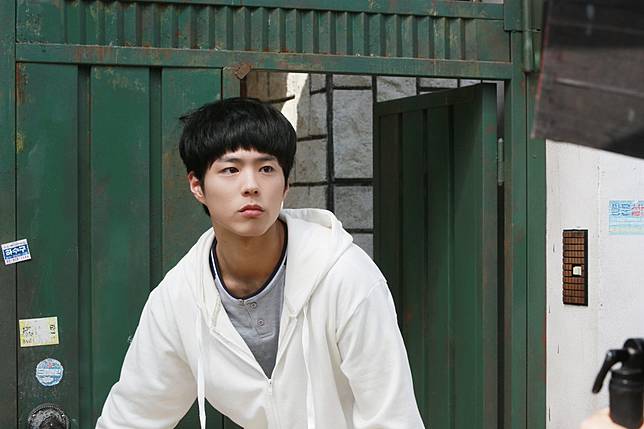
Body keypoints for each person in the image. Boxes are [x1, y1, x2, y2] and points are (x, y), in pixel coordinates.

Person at [96, 97, 424, 429]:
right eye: (231, 169)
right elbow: (131, 419)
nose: (251, 185)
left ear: (286, 184)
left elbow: (393, 419)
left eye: (267, 169)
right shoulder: (179, 298)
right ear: (197, 186)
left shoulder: (345, 276)